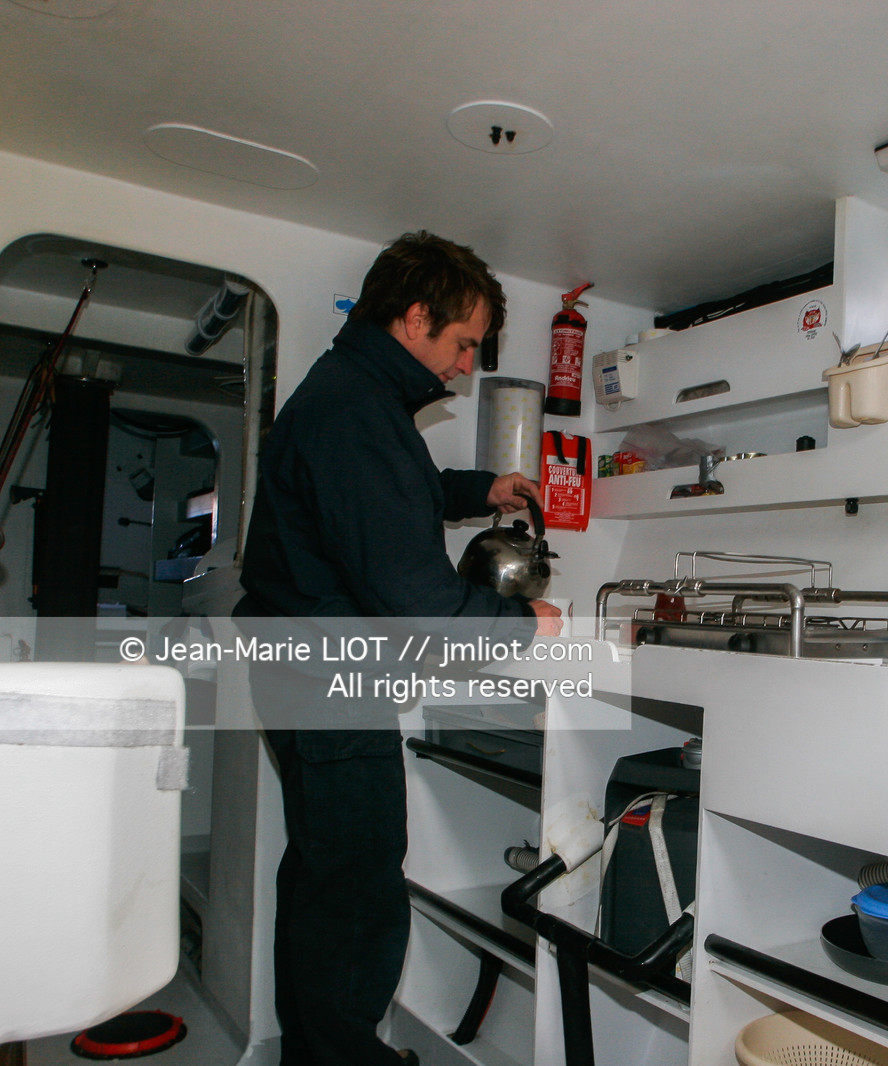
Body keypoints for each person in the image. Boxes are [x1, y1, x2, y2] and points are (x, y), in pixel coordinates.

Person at [234, 231, 562, 1066]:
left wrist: (478, 491)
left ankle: (316, 1054)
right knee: (355, 887)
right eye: (463, 343)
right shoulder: (357, 414)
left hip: (297, 664)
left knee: (323, 875)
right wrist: (526, 623)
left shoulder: (354, 394)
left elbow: (386, 498)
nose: (464, 365)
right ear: (416, 318)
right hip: (325, 675)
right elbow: (417, 601)